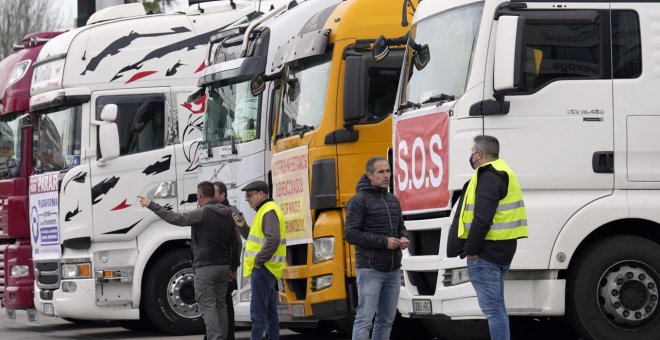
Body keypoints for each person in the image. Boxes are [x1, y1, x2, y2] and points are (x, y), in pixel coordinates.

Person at [447, 135, 528, 340]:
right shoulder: (503, 171)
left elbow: (482, 219)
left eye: (472, 152)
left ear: (480, 154)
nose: (471, 156)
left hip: (486, 253)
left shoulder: (489, 176)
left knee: (493, 310)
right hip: (501, 250)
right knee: (498, 308)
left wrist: (471, 250)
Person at [138, 181, 237, 340]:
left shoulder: (203, 213)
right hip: (224, 267)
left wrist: (152, 205)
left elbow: (175, 218)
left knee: (208, 306)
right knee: (221, 305)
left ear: (199, 195)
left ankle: (215, 338)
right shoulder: (228, 214)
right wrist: (233, 267)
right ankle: (223, 337)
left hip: (206, 268)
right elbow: (236, 243)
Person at [345, 156, 409, 340]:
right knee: (365, 319)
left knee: (387, 320)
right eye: (381, 172)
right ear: (370, 175)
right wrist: (384, 242)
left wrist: (404, 237)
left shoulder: (393, 200)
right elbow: (351, 234)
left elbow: (401, 227)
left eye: (388, 171)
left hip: (393, 270)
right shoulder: (358, 201)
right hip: (370, 269)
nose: (386, 175)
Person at [232, 180, 286, 340]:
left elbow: (273, 239)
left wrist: (259, 261)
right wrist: (242, 226)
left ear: (261, 194)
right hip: (267, 269)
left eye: (250, 195)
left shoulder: (267, 211)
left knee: (258, 314)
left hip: (263, 269)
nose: (247, 199)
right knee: (270, 313)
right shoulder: (265, 211)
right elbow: (255, 239)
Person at [213, 181, 243, 340]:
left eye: (214, 192)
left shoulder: (232, 212)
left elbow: (243, 235)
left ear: (223, 195)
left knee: (224, 303)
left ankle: (227, 336)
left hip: (227, 266)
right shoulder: (213, 211)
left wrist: (234, 266)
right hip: (223, 265)